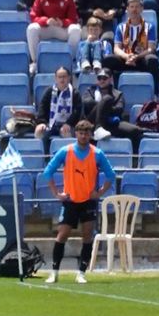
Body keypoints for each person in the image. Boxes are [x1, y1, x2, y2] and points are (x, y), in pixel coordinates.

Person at [42, 119, 115, 284]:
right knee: (62, 235)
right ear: (76, 134)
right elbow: (48, 172)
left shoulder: (97, 154)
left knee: (87, 236)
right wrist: (56, 193)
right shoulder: (65, 151)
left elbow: (111, 175)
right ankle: (54, 272)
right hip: (70, 200)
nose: (83, 136)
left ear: (90, 135)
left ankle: (81, 272)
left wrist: (100, 192)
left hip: (88, 201)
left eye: (86, 133)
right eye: (81, 133)